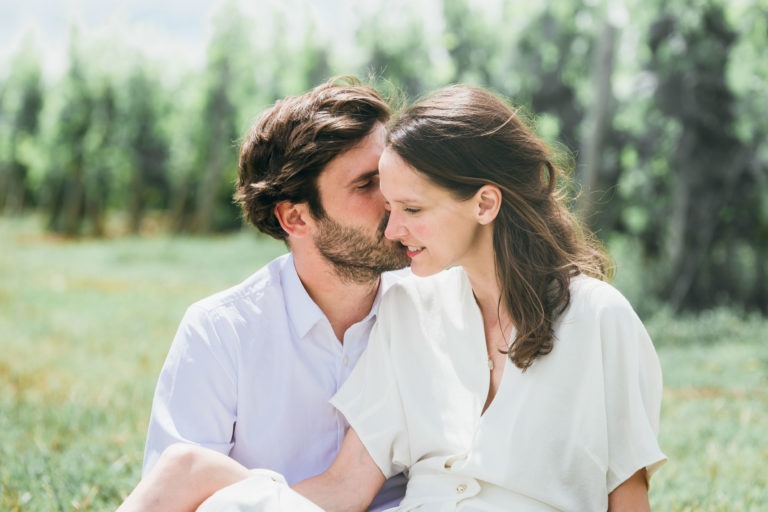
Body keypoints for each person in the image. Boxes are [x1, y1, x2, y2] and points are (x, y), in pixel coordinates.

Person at [118, 84, 666, 511]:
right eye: (371, 188)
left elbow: (628, 497)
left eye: (411, 205)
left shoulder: (599, 318)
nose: (391, 218)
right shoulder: (414, 311)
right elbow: (346, 488)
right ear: (295, 217)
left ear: (484, 204)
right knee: (187, 467)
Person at [131, 77, 410, 511]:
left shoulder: (433, 310)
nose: (394, 197)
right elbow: (174, 495)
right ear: (295, 218)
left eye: (390, 175)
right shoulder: (220, 332)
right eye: (365, 184)